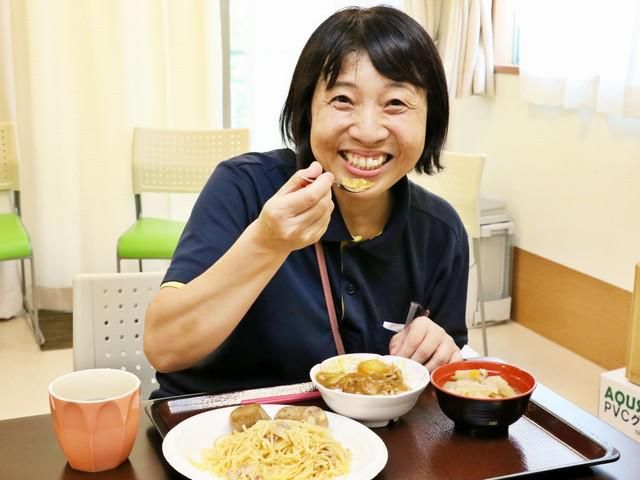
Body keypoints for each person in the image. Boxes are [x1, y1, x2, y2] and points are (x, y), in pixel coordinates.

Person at [144, 5, 469, 399]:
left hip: (355, 435)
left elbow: (440, 382)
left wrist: (438, 351)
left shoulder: (440, 232)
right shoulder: (243, 186)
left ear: (431, 119)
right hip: (210, 422)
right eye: (343, 100)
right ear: (307, 110)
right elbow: (165, 347)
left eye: (396, 103)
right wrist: (267, 242)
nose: (368, 131)